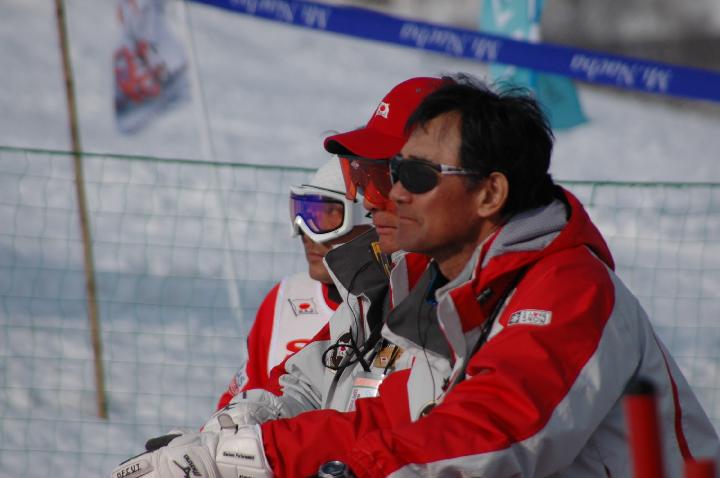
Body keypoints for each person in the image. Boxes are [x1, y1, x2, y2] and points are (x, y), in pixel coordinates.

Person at [113, 74, 720, 478]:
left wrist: (268, 456)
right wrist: (233, 439)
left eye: (408, 175)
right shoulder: (432, 281)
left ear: (490, 193)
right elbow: (372, 409)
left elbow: (482, 436)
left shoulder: (567, 288)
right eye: (376, 175)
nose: (385, 195)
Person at [110, 76, 443, 478]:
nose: (373, 202)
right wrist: (229, 432)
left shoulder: (463, 301)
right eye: (364, 180)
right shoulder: (366, 294)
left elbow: (406, 428)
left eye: (326, 215)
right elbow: (300, 386)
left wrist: (252, 453)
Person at [215, 158, 372, 409]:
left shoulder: (401, 306)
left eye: (327, 218)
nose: (307, 235)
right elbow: (241, 398)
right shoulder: (285, 297)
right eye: (303, 213)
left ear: (373, 222)